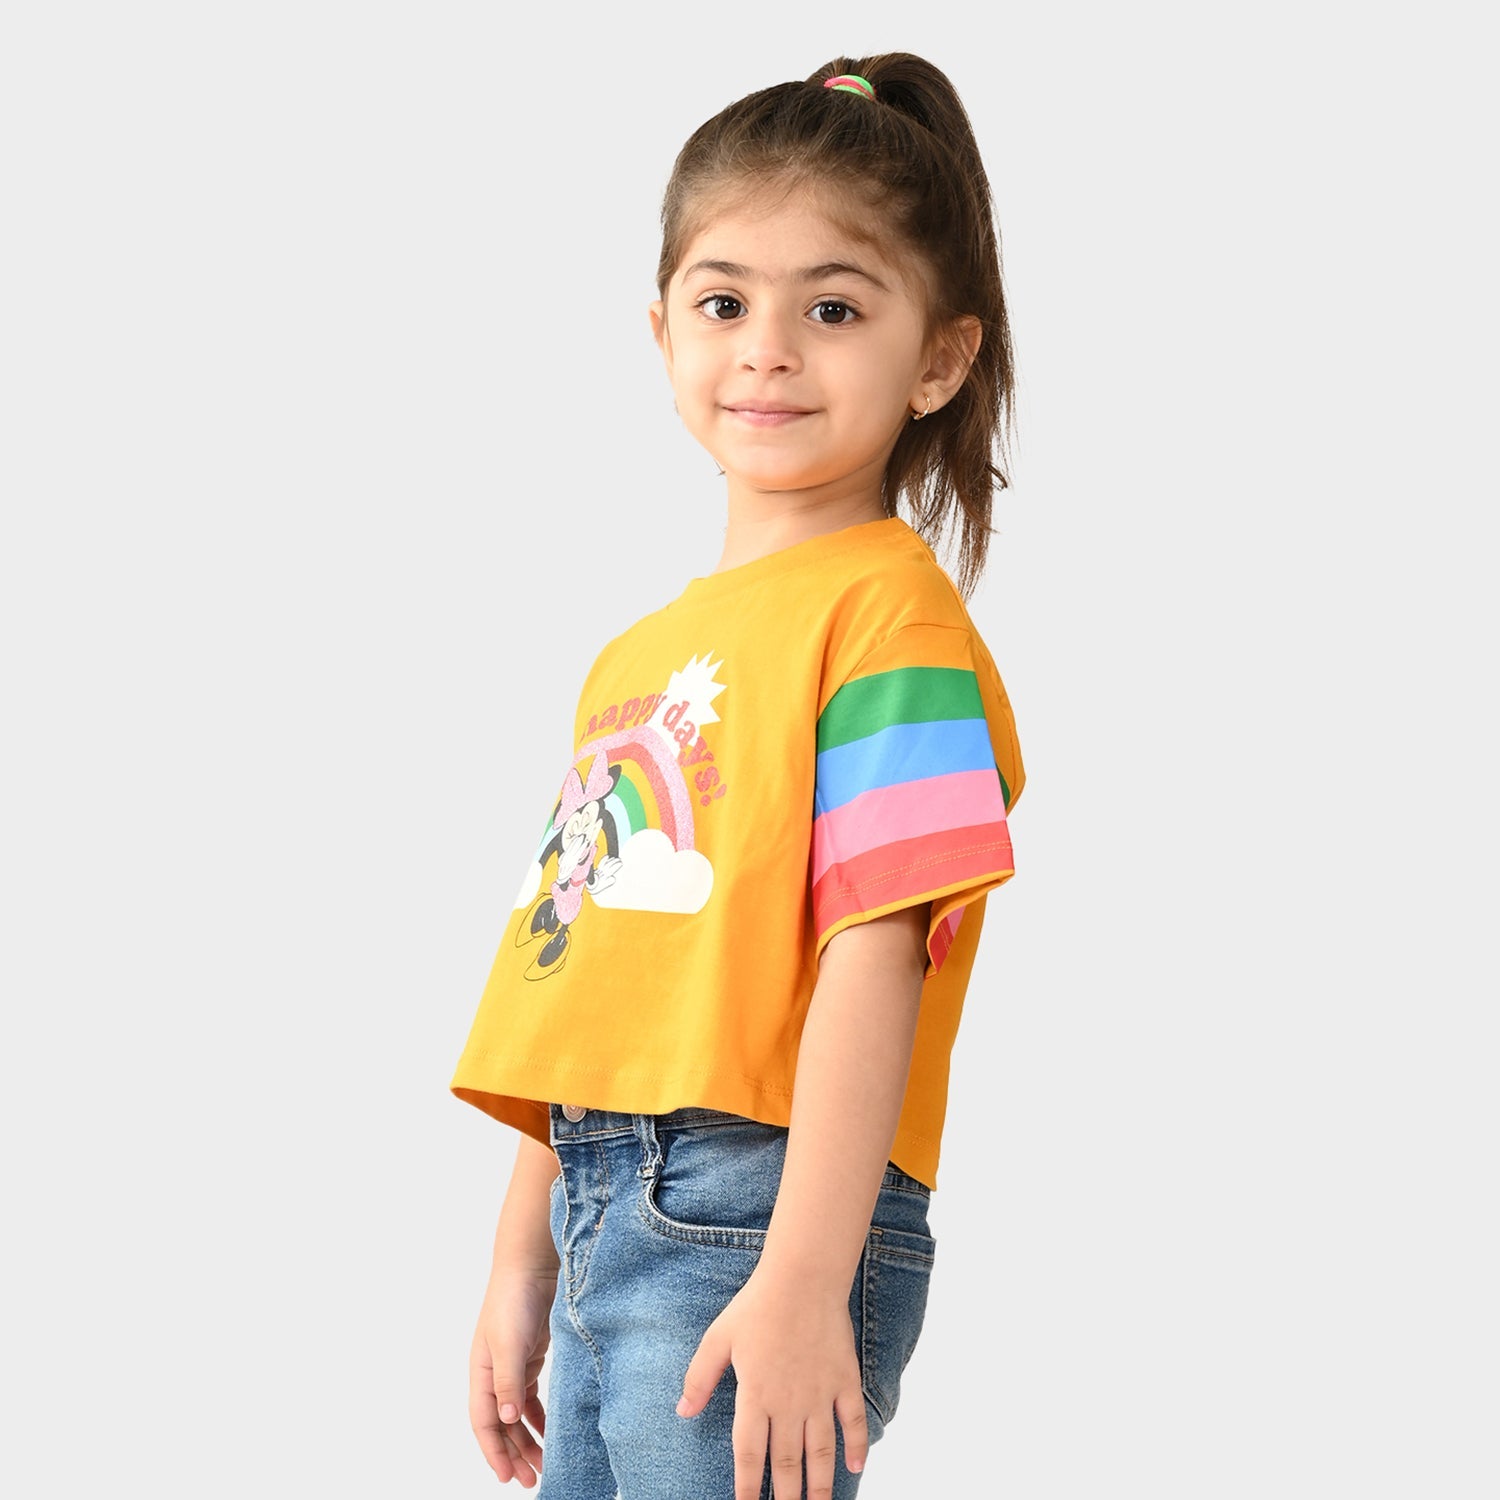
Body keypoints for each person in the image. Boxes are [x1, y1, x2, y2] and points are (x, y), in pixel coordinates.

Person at [451, 51, 1026, 1500]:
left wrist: (807, 1275)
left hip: (759, 1213)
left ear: (939, 357)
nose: (767, 349)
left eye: (833, 308)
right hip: (604, 1196)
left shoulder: (890, 620)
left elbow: (877, 954)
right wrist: (521, 1261)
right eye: (724, 303)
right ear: (662, 332)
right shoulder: (634, 658)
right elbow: (588, 985)